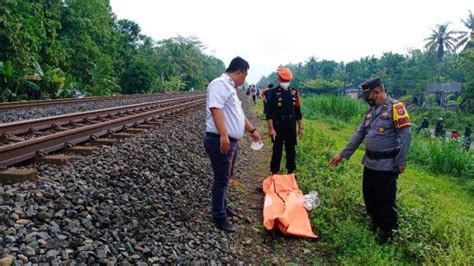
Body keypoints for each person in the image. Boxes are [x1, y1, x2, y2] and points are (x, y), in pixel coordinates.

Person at [329, 77, 412, 242]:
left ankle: (388, 235)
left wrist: (401, 162)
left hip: (387, 166)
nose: (366, 98)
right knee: (369, 197)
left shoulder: (396, 108)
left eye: (368, 95)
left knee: (385, 202)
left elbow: (406, 136)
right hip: (369, 163)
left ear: (377, 91)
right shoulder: (371, 111)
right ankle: (374, 226)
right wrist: (342, 154)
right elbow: (359, 134)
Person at [203, 56, 262, 233]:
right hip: (218, 139)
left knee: (226, 177)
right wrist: (223, 135)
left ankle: (223, 206)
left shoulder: (230, 88)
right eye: (244, 76)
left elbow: (239, 115)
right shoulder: (219, 84)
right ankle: (219, 215)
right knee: (221, 179)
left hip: (230, 140)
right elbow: (215, 108)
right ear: (239, 72)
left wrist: (252, 131)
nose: (244, 80)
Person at [265, 67, 303, 175]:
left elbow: (298, 111)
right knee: (277, 150)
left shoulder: (294, 92)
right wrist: (271, 129)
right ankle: (274, 173)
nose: (279, 79)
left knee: (291, 150)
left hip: (291, 125)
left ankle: (291, 172)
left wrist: (301, 127)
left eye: (280, 77)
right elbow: (269, 113)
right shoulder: (272, 92)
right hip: (278, 125)